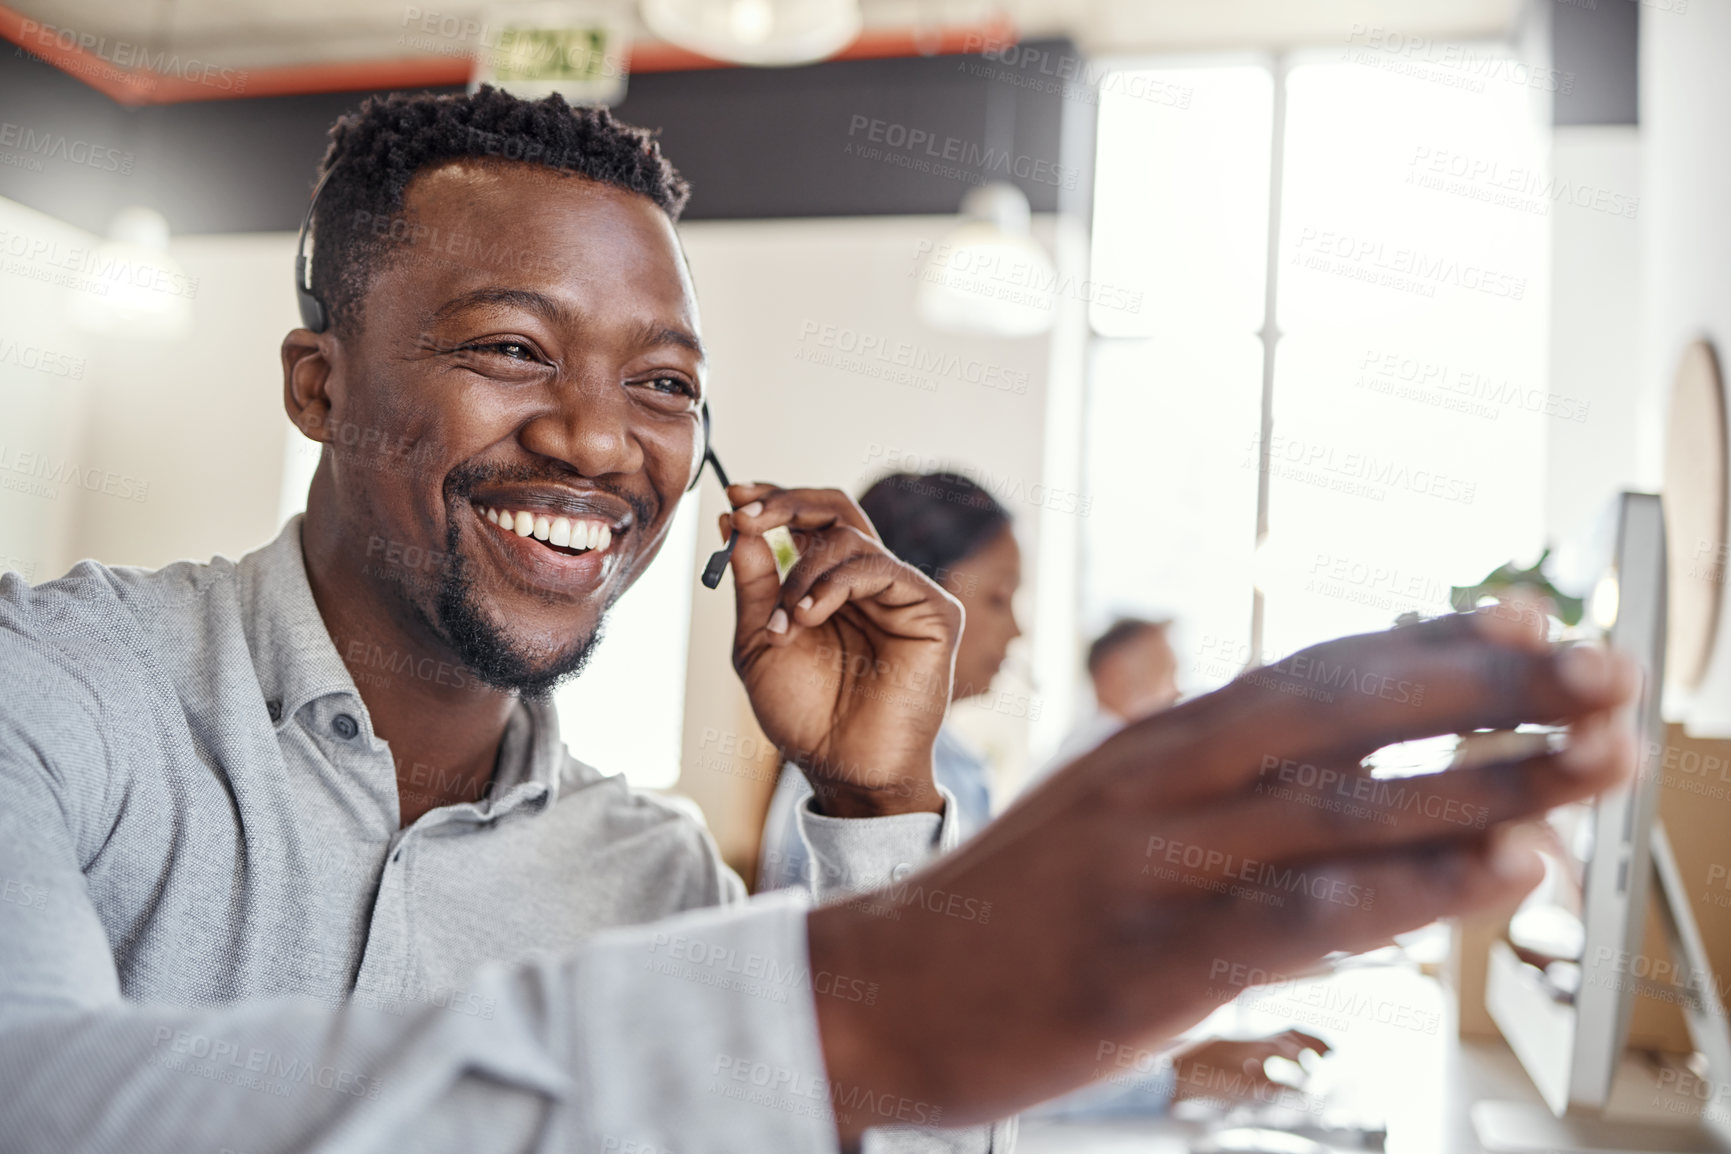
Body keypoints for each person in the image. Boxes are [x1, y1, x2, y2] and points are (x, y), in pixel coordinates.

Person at [0, 86, 1641, 1154]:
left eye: (662, 385)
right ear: (318, 381)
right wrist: (858, 999)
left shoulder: (645, 879)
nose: (594, 436)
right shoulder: (51, 694)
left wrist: (872, 812)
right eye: (509, 347)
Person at [758, 471, 1021, 893]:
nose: (1016, 630)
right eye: (998, 599)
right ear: (914, 594)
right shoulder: (838, 780)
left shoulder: (962, 765)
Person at [1038, 617, 1181, 780]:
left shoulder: (1096, 752)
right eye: (1165, 673)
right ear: (1117, 675)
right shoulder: (1104, 760)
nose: (1177, 692)